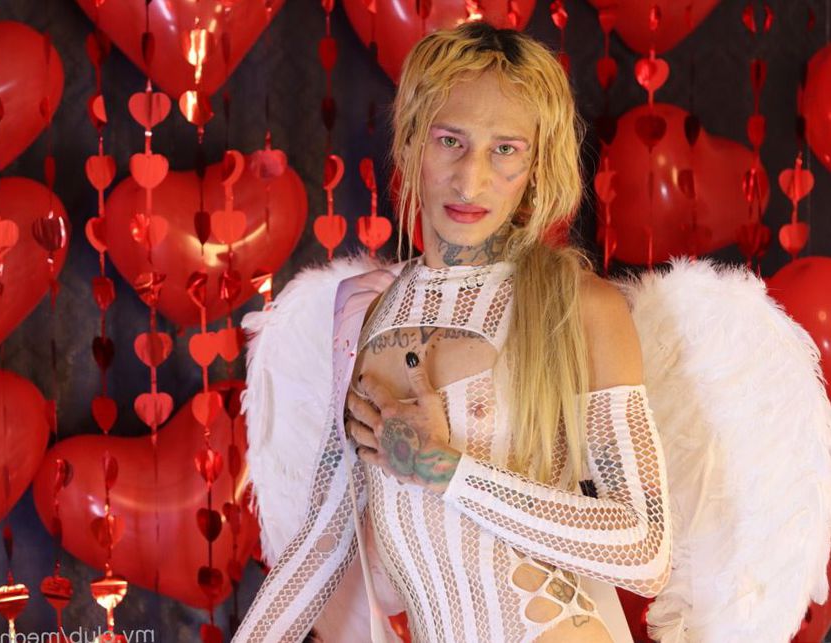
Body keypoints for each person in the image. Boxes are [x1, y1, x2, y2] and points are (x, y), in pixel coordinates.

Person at [234, 21, 671, 642]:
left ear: (536, 164)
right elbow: (324, 542)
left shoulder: (579, 307)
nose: (471, 180)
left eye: (505, 149)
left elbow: (645, 550)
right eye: (450, 141)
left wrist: (450, 471)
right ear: (413, 141)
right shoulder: (364, 312)